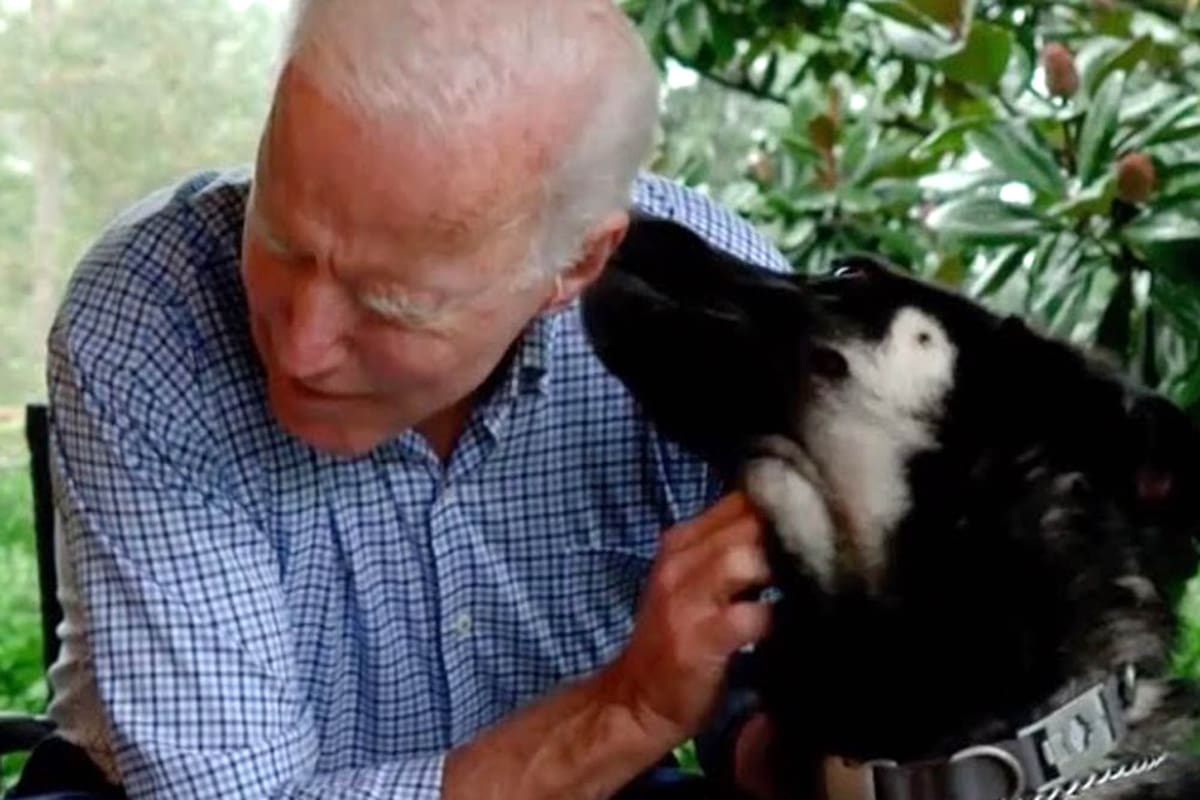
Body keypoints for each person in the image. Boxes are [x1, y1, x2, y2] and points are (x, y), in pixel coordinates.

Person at [13, 1, 789, 798]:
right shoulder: (152, 314)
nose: (300, 346)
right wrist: (628, 713)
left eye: (391, 305)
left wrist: (786, 734)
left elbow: (771, 694)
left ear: (576, 266)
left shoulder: (714, 310)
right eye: (278, 240)